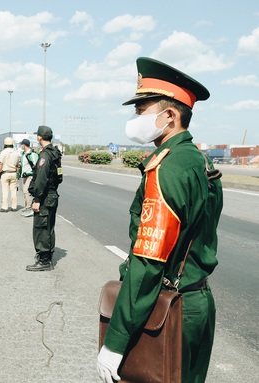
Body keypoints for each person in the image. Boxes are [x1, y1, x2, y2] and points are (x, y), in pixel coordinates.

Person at [96, 57, 223, 383]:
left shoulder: (167, 167)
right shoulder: (199, 160)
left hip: (168, 307)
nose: (135, 118)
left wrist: (116, 339)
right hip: (198, 303)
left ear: (169, 116)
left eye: (141, 110)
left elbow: (149, 261)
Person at [26, 126, 62, 271]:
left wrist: (37, 199)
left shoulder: (45, 156)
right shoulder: (55, 153)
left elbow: (41, 179)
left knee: (41, 228)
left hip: (45, 197)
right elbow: (59, 176)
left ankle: (44, 260)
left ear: (39, 137)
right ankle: (47, 256)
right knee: (48, 227)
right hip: (52, 195)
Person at [0, 137, 20, 212]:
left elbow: (0, 163)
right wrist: (17, 174)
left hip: (5, 173)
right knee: (13, 191)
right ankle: (14, 207)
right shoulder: (16, 153)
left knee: (5, 190)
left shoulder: (3, 152)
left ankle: (5, 207)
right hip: (13, 173)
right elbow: (17, 165)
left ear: (5, 144)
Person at [18, 138, 39, 217]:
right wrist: (19, 175)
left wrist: (29, 173)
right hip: (24, 176)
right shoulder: (23, 154)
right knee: (24, 191)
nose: (21, 146)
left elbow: (36, 167)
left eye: (21, 145)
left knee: (27, 192)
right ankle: (27, 207)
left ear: (24, 145)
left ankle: (30, 209)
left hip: (30, 176)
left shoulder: (32, 154)